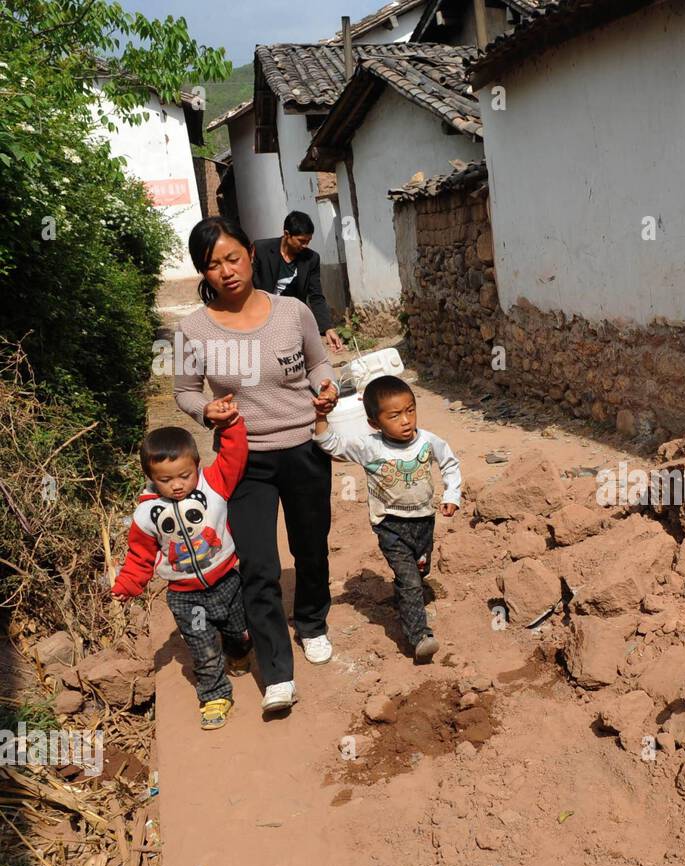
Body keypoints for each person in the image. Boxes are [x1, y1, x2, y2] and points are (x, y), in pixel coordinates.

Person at [174, 216, 340, 716]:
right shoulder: (192, 329)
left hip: (304, 449)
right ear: (202, 272)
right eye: (212, 265)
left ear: (250, 253)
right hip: (243, 459)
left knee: (310, 545)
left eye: (232, 258)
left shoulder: (292, 312)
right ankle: (278, 673)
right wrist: (205, 410)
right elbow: (183, 390)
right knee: (259, 564)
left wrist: (325, 388)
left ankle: (312, 621)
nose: (225, 271)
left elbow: (317, 364)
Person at [111, 416, 252, 731]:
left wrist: (230, 426)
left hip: (227, 581)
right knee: (202, 647)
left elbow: (235, 456)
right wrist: (127, 585)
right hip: (187, 597)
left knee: (238, 632)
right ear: (150, 477)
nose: (176, 485)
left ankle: (239, 652)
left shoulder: (213, 485)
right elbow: (140, 555)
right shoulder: (146, 514)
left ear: (197, 465)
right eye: (165, 479)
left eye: (184, 475)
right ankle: (214, 695)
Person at [312, 375, 461, 663]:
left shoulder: (429, 442)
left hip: (424, 521)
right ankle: (419, 636)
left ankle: (407, 592)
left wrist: (451, 495)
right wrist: (321, 416)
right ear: (374, 423)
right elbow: (329, 443)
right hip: (390, 526)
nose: (406, 420)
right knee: (410, 581)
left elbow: (450, 463)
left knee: (420, 571)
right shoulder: (370, 447)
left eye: (410, 410)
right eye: (394, 416)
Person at [252, 211, 344, 354]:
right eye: (301, 241)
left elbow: (316, 295)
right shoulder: (261, 250)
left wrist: (327, 328)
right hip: (262, 318)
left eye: (308, 241)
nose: (305, 245)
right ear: (287, 234)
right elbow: (251, 287)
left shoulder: (311, 259)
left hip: (291, 320)